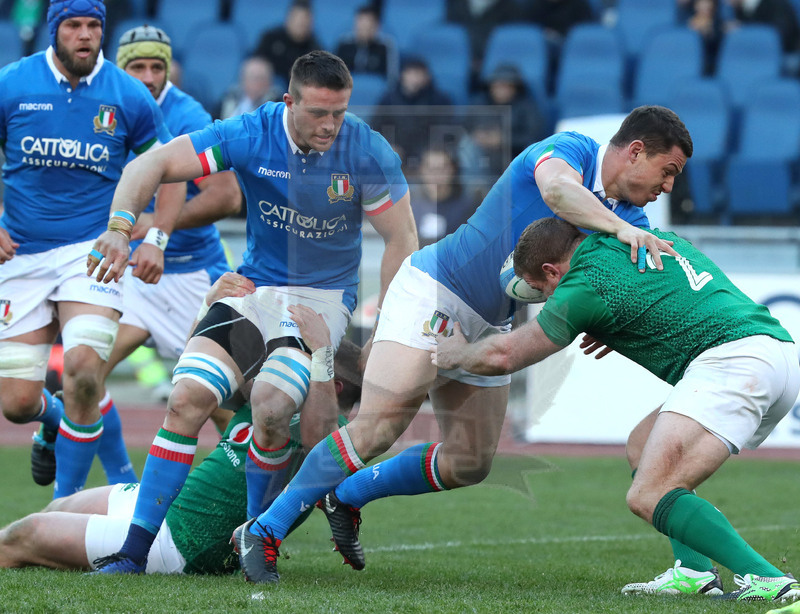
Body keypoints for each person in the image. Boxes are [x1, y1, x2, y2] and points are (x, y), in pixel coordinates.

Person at [229, 105, 693, 584]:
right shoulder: (572, 152)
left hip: (491, 323)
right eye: (668, 171)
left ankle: (346, 495)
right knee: (378, 428)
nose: (670, 186)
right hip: (436, 289)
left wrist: (612, 322)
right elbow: (557, 191)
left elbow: (610, 289)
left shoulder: (632, 219)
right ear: (635, 152)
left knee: (469, 462)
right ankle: (262, 531)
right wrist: (620, 229)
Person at [86, 49, 418, 574]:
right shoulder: (250, 133)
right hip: (254, 288)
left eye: (340, 112)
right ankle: (133, 551)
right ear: (289, 101)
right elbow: (151, 163)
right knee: (186, 398)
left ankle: (256, 539)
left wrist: (386, 330)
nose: (331, 125)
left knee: (269, 407)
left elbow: (402, 237)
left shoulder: (367, 151)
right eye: (318, 114)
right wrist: (121, 227)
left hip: (322, 299)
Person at [435, 216, 800, 603]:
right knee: (642, 447)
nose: (551, 299)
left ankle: (771, 581)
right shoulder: (638, 239)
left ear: (551, 270)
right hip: (776, 351)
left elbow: (506, 355)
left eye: (544, 291)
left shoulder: (583, 285)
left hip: (735, 362)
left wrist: (456, 353)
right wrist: (618, 319)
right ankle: (694, 571)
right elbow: (662, 290)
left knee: (648, 494)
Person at [0, 292, 363, 574]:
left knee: (21, 536)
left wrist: (320, 352)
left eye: (296, 358)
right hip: (163, 505)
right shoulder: (275, 400)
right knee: (58, 507)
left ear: (335, 384)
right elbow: (195, 388)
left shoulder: (332, 431)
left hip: (181, 542)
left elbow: (321, 438)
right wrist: (211, 307)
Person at [0, 0, 174, 499]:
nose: (84, 35)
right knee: (15, 404)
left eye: (93, 26)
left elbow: (167, 167)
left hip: (91, 253)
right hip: (22, 257)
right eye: (73, 25)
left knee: (81, 371)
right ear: (55, 30)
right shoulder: (12, 82)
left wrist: (154, 237)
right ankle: (51, 420)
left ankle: (63, 503)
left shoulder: (127, 94)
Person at [78, 23, 242, 487]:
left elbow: (227, 197)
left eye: (157, 66)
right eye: (137, 66)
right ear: (118, 66)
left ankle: (253, 503)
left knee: (217, 405)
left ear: (169, 70)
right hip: (129, 273)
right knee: (83, 374)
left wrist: (153, 228)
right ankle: (121, 481)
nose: (148, 76)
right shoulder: (103, 104)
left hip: (191, 273)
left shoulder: (189, 115)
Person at [411, 147, 476, 246]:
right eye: (430, 169)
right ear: (421, 170)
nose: (436, 175)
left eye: (442, 169)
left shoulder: (467, 206)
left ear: (453, 170)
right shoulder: (410, 204)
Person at [252, 0, 321, 83]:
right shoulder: (271, 38)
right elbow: (256, 64)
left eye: (305, 19)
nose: (301, 23)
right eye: (297, 18)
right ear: (288, 18)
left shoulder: (315, 50)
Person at [334, 4, 399, 85]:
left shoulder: (386, 46)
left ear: (377, 26)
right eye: (361, 26)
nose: (364, 30)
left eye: (368, 26)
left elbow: (392, 79)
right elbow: (334, 75)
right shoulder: (344, 44)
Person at [217, 56, 282, 120]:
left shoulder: (276, 104)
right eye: (252, 78)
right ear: (243, 80)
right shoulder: (228, 99)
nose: (257, 83)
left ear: (269, 82)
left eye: (261, 78)